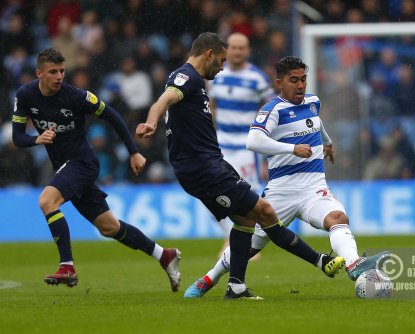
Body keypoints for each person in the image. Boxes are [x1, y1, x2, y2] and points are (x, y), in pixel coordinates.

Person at [136, 33, 345, 300]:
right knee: (266, 213)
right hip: (204, 168)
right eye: (221, 60)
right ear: (210, 55)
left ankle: (235, 287)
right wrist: (152, 122)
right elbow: (163, 100)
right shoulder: (187, 77)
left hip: (210, 164)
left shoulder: (200, 81)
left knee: (246, 220)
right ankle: (321, 262)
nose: (222, 67)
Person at [183, 56, 389, 298]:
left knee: (337, 217)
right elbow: (254, 141)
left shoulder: (313, 101)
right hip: (281, 191)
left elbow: (316, 122)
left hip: (313, 187)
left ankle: (354, 265)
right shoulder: (272, 110)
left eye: (303, 79)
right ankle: (208, 279)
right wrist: (291, 149)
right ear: (279, 83)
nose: (300, 85)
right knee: (248, 247)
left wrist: (328, 142)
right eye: (294, 80)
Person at [11, 48, 181, 291]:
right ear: (39, 73)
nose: (59, 76)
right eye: (53, 72)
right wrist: (35, 139)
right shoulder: (25, 95)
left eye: (62, 71)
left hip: (82, 162)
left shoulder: (77, 96)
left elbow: (113, 116)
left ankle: (67, 266)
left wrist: (133, 152)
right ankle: (165, 255)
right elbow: (18, 137)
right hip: (65, 167)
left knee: (47, 201)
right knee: (109, 227)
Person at [209, 32, 275, 255]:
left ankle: (248, 244)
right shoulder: (217, 75)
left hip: (248, 148)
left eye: (241, 48)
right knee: (212, 192)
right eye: (233, 47)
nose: (237, 52)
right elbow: (212, 107)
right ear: (227, 50)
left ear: (248, 51)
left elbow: (270, 112)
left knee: (250, 195)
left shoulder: (257, 78)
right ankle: (230, 236)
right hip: (222, 146)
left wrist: (266, 150)